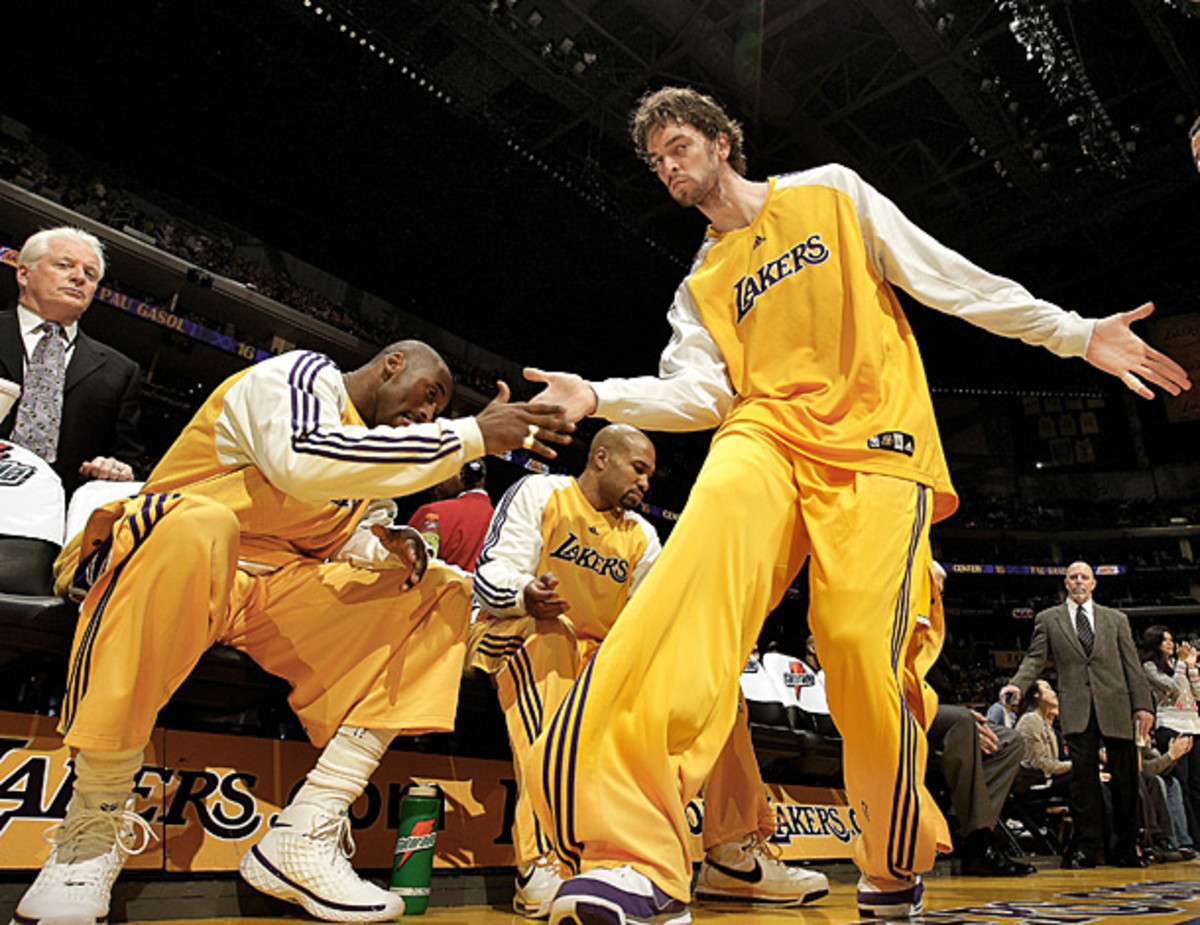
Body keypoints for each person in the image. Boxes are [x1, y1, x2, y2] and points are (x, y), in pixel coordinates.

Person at [521, 86, 1191, 924]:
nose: (668, 165)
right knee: (687, 584)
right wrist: (597, 392)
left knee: (858, 656)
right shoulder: (701, 281)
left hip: (879, 450)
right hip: (763, 434)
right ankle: (634, 852)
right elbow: (696, 392)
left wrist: (1073, 331)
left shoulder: (829, 191)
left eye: (679, 144)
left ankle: (888, 856)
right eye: (655, 161)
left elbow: (950, 280)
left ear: (721, 142)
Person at [10, 341, 570, 925]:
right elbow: (302, 462)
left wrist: (383, 540)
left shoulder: (373, 464)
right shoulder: (299, 376)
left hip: (265, 594)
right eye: (430, 395)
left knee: (438, 591)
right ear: (392, 364)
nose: (429, 414)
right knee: (200, 522)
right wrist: (470, 434)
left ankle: (305, 833)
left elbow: (322, 526)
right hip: (167, 562)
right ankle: (90, 829)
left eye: (439, 410)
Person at [469, 424, 826, 916]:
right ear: (601, 459)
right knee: (552, 642)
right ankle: (545, 857)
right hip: (516, 630)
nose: (646, 483)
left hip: (597, 657)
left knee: (711, 680)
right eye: (638, 469)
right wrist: (526, 594)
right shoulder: (543, 491)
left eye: (650, 475)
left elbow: (651, 619)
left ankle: (732, 853)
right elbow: (490, 575)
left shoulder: (642, 536)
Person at [1001, 562, 1154, 870]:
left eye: (1085, 577)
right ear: (1066, 583)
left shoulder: (1116, 619)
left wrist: (1143, 706)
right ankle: (1088, 849)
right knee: (1083, 784)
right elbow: (1035, 658)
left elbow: (1132, 666)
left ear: (1094, 584)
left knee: (1126, 780)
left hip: (1117, 706)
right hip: (1076, 708)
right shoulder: (1048, 619)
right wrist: (1017, 685)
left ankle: (1125, 848)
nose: (1079, 581)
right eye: (1073, 577)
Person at [0, 227, 143, 496]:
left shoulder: (120, 371)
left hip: (51, 518)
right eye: (64, 265)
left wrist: (115, 470)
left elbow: (128, 459)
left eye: (90, 274)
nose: (78, 278)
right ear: (23, 274)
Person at [1138, 625, 1200, 840]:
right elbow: (1173, 688)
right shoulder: (1149, 666)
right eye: (1165, 640)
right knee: (1180, 783)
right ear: (1155, 643)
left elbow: (1197, 693)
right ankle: (1187, 836)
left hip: (1193, 724)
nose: (1171, 644)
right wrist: (1183, 664)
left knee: (1196, 784)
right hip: (1171, 725)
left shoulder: (1179, 663)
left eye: (1172, 639)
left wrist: (1191, 667)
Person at [406, 458, 493, 571]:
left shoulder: (433, 512)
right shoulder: (504, 522)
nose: (437, 482)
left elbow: (401, 565)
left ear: (465, 476)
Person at [1014, 679, 1073, 796]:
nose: (1054, 693)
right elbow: (1037, 763)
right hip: (1035, 783)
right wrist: (1074, 765)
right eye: (1047, 688)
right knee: (1084, 776)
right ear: (1036, 694)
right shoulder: (1030, 719)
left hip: (1048, 779)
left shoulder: (1046, 724)